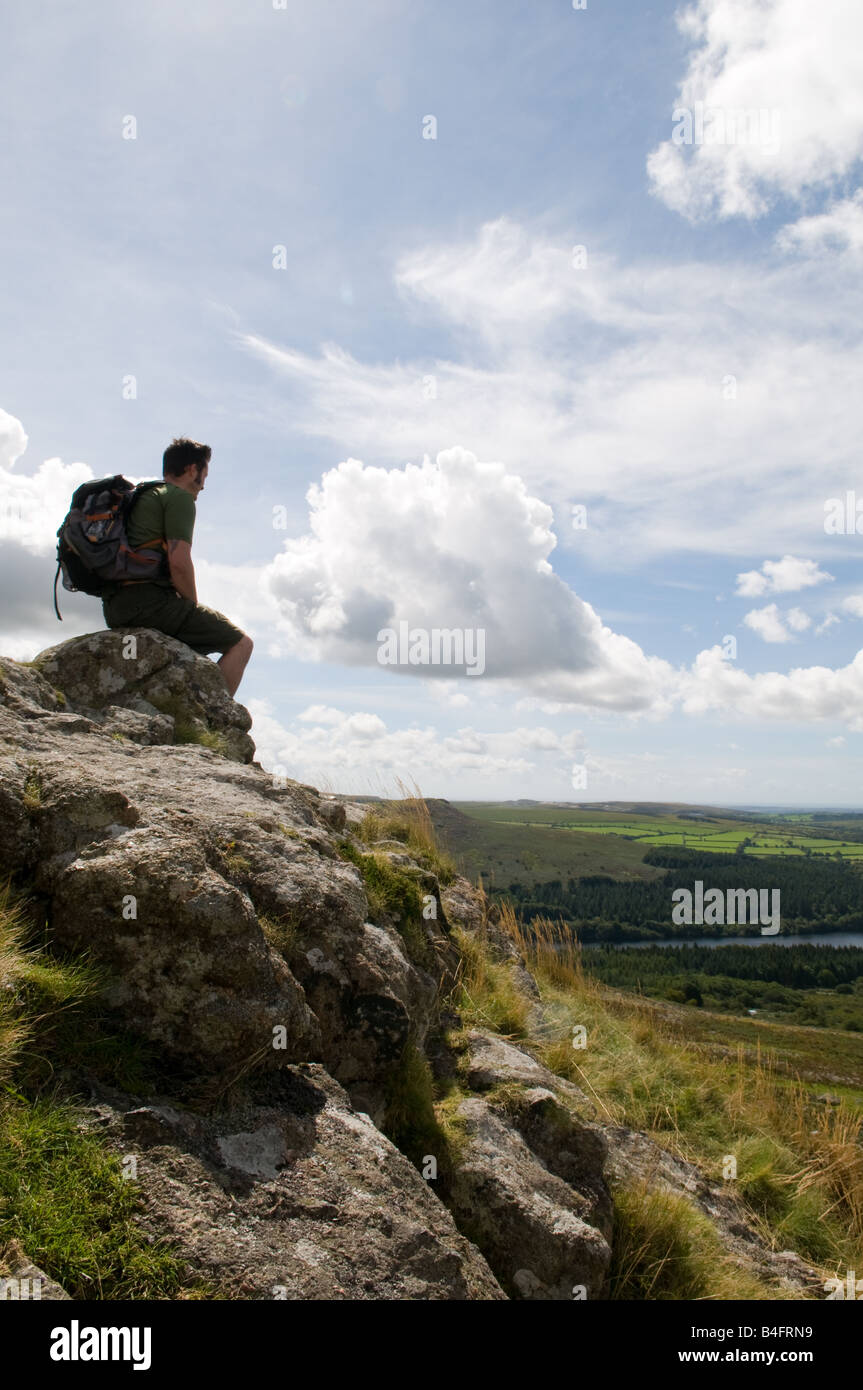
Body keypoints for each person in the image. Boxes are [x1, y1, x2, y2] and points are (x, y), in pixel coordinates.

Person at [101, 437, 253, 696]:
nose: (204, 485)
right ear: (193, 469)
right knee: (240, 643)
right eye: (205, 474)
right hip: (148, 603)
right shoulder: (179, 498)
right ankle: (219, 719)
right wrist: (191, 607)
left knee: (196, 647)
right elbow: (179, 562)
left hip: (115, 606)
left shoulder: (143, 495)